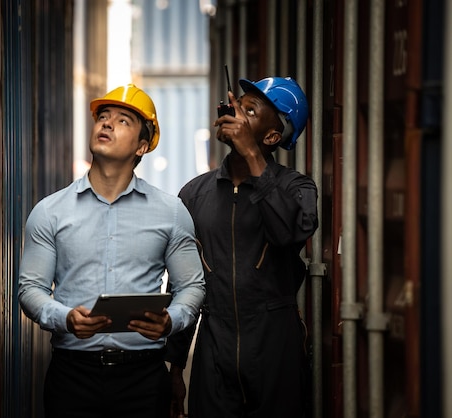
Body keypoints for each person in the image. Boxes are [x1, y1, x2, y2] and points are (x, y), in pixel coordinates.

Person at [18, 84, 206, 418]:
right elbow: (30, 289)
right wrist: (65, 318)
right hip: (72, 377)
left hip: (144, 380)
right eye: (102, 117)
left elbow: (192, 286)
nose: (106, 123)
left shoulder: (171, 212)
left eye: (122, 121)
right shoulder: (50, 211)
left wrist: (170, 322)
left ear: (142, 146)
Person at [166, 76, 318, 418]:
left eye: (249, 110)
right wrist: (176, 366)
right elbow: (181, 284)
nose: (235, 113)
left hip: (275, 346)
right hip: (214, 347)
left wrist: (251, 154)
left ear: (272, 136)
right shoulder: (193, 195)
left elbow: (287, 234)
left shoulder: (297, 188)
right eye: (236, 105)